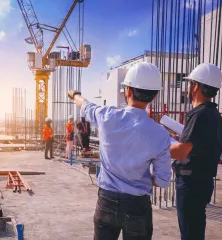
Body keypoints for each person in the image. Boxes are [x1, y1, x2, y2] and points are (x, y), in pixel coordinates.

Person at [68, 62, 172, 240]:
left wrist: (75, 94)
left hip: (106, 202)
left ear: (128, 91)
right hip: (138, 207)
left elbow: (84, 104)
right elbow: (163, 181)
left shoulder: (107, 116)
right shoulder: (160, 134)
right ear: (154, 96)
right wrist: (138, 177)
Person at [170, 63, 222, 240]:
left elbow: (181, 152)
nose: (187, 87)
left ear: (196, 86)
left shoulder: (199, 114)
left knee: (189, 233)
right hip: (202, 182)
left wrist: (156, 146)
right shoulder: (213, 115)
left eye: (190, 83)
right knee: (195, 230)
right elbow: (198, 146)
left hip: (190, 183)